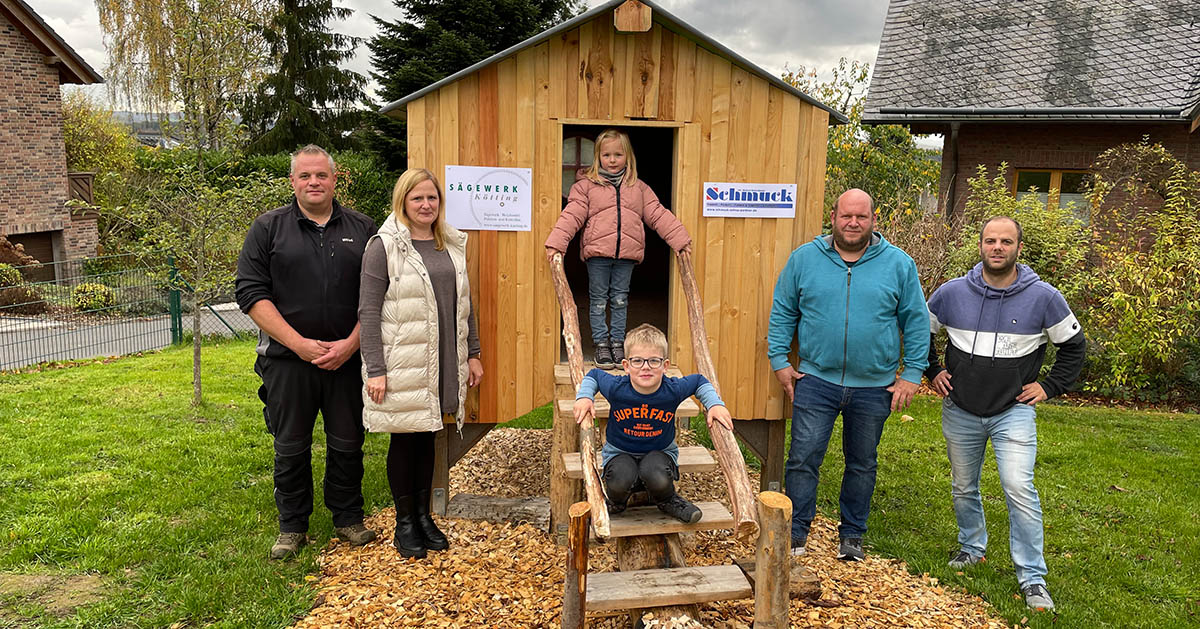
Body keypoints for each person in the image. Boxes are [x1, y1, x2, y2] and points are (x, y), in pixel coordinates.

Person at [925, 216, 1084, 612]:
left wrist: (1049, 386)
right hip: (960, 408)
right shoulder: (950, 293)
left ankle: (1032, 577)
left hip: (1013, 411)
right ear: (979, 246)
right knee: (964, 486)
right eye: (990, 241)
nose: (998, 247)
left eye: (1006, 242)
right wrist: (933, 370)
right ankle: (970, 548)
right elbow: (919, 331)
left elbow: (1075, 346)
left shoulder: (1044, 297)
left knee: (1018, 488)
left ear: (1018, 248)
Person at [766, 188, 928, 561]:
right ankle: (797, 534)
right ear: (833, 217)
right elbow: (783, 311)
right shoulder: (804, 260)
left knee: (862, 462)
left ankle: (852, 535)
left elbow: (916, 321)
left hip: (875, 386)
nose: (853, 223)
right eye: (846, 216)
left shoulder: (899, 264)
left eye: (861, 216)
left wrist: (912, 372)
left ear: (874, 219)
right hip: (816, 381)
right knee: (803, 458)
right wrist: (779, 359)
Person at [236, 144, 379, 560]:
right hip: (286, 361)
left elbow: (378, 294)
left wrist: (353, 343)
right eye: (305, 176)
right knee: (291, 445)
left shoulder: (364, 228)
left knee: (348, 443)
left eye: (321, 175)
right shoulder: (268, 229)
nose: (313, 182)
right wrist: (297, 344)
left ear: (335, 180)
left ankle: (348, 517)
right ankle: (292, 526)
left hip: (348, 360)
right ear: (293, 181)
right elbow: (250, 292)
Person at [358, 168, 483, 559]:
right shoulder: (384, 246)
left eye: (432, 198)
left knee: (430, 434)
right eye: (418, 199)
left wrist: (473, 353)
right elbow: (368, 310)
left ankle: (425, 515)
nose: (426, 205)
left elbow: (466, 304)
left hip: (443, 356)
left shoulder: (451, 244)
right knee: (405, 437)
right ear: (403, 202)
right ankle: (404, 521)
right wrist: (376, 369)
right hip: (404, 359)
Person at [544, 129, 692, 370]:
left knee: (621, 300)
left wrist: (680, 240)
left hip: (626, 256)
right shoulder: (586, 188)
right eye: (606, 155)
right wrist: (556, 243)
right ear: (598, 157)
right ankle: (601, 344)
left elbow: (657, 214)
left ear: (628, 157)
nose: (612, 160)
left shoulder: (638, 188)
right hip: (598, 255)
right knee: (599, 300)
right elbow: (571, 216)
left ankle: (617, 344)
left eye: (618, 155)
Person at [573, 324, 733, 522]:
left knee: (655, 472)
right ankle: (616, 502)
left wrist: (715, 405)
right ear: (626, 365)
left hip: (659, 453)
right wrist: (584, 397)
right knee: (619, 478)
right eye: (637, 361)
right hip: (619, 452)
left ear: (665, 366)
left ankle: (667, 500)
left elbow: (699, 381)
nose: (646, 367)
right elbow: (594, 375)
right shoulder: (617, 388)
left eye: (654, 361)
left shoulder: (672, 390)